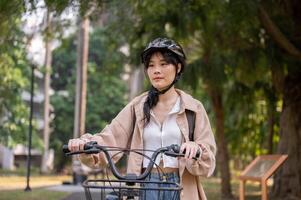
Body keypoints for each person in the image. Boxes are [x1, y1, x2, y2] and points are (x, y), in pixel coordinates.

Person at [68, 37, 216, 200]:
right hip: (145, 184)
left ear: (178, 67)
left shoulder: (193, 108)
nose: (156, 70)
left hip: (182, 186)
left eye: (163, 64)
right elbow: (110, 138)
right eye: (151, 65)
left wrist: (196, 148)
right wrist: (85, 144)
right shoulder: (137, 107)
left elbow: (208, 153)